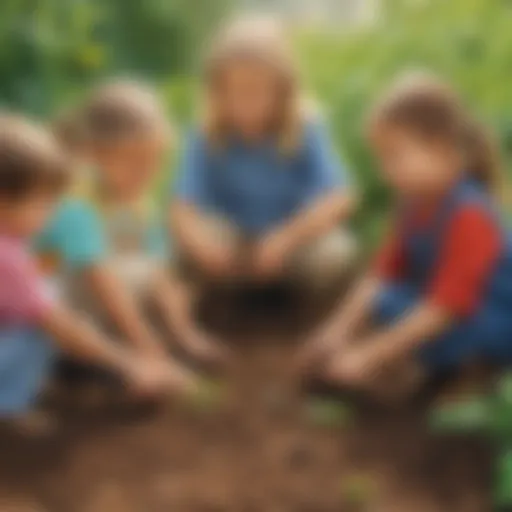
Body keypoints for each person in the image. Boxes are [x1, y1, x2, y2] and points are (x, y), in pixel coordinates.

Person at [298, 72, 512, 402]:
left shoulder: (470, 215)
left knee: (430, 319)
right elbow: (382, 275)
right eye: (382, 158)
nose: (386, 171)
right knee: (387, 298)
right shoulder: (414, 205)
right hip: (452, 314)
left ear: (442, 149)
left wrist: (370, 355)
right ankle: (439, 367)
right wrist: (335, 331)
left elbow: (446, 307)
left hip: (490, 323)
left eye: (395, 156)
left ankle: (477, 375)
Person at [0, 115, 193, 420]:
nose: (51, 214)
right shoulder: (7, 258)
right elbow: (58, 324)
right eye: (43, 203)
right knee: (37, 333)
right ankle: (7, 408)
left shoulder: (14, 244)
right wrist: (129, 364)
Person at [36, 80, 227, 371]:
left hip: (93, 299)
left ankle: (151, 341)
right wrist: (147, 350)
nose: (147, 173)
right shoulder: (74, 203)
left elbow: (161, 269)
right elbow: (102, 279)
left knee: (170, 277)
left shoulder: (137, 199)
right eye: (136, 161)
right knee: (143, 272)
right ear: (95, 153)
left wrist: (185, 334)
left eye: (155, 161)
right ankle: (93, 356)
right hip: (52, 306)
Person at [171, 17, 357, 297]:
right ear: (216, 92)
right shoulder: (206, 134)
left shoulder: (305, 127)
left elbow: (340, 197)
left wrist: (286, 239)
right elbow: (181, 208)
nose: (245, 103)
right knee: (186, 245)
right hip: (232, 244)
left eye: (257, 91)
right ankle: (227, 298)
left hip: (288, 242)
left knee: (336, 251)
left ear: (282, 91)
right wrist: (201, 246)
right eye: (233, 92)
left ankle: (291, 305)